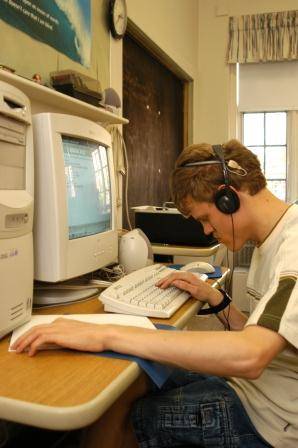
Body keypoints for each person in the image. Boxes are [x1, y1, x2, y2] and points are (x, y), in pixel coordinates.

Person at [12, 140, 297, 448]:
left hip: (270, 423)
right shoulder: (269, 238)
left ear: (229, 199)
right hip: (257, 391)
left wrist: (107, 335)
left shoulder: (292, 249)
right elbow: (270, 340)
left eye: (204, 218)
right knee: (133, 383)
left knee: (122, 415)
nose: (205, 231)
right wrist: (214, 298)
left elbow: (252, 356)